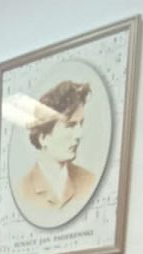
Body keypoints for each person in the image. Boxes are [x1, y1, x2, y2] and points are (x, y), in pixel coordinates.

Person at [17, 81, 97, 221]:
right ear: (43, 137)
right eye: (70, 126)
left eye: (80, 124)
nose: (79, 135)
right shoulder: (23, 191)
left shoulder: (89, 181)